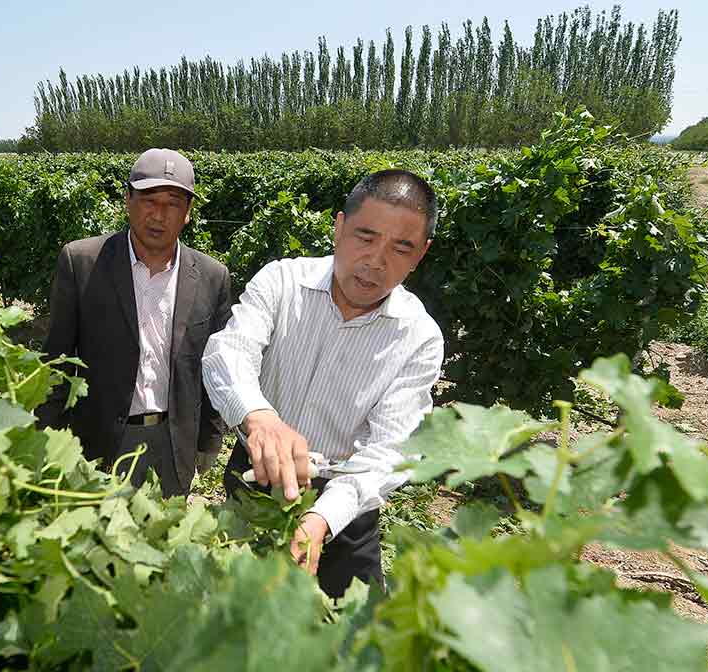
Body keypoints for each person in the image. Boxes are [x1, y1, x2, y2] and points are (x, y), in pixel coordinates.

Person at [201, 169, 443, 597]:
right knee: (234, 624)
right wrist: (261, 420)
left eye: (400, 248)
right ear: (339, 227)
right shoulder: (281, 282)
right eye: (365, 237)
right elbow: (228, 353)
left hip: (345, 508)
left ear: (420, 255)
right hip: (256, 483)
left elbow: (389, 452)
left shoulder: (419, 337)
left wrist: (321, 519)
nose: (376, 261)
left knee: (353, 645)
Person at [36, 148, 232, 497]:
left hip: (173, 444)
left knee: (164, 542)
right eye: (148, 200)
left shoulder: (212, 277)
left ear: (188, 213)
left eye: (173, 203)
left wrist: (209, 439)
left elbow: (214, 367)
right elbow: (56, 361)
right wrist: (45, 439)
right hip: (100, 441)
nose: (159, 215)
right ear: (127, 201)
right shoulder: (82, 263)